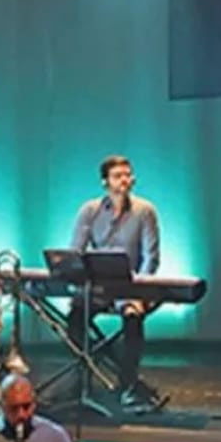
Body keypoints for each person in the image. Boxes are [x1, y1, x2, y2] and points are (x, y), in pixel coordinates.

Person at [69, 154, 161, 397]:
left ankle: (127, 381)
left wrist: (140, 291)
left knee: (133, 317)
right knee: (75, 317)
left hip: (131, 286)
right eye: (118, 176)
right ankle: (105, 368)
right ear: (105, 182)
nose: (125, 180)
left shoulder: (145, 211)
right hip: (99, 286)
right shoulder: (90, 211)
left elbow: (151, 257)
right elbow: (75, 252)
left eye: (128, 175)